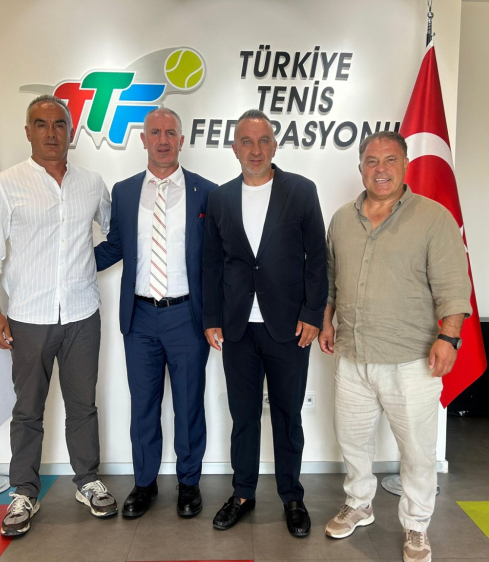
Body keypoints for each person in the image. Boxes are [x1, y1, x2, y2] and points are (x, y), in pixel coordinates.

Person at [320, 131, 471, 562]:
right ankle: (359, 504)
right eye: (371, 161)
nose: (380, 169)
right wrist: (327, 320)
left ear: (406, 165)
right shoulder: (341, 219)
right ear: (361, 168)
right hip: (353, 354)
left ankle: (417, 525)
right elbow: (330, 280)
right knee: (352, 442)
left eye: (390, 160)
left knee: (418, 452)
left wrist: (449, 337)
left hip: (412, 359)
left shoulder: (433, 218)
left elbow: (453, 286)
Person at [0, 95, 117, 537]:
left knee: (83, 406)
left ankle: (87, 481)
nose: (51, 133)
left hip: (81, 314)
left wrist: (86, 265)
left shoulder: (92, 183)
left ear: (71, 132)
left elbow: (114, 234)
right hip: (28, 317)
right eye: (41, 124)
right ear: (28, 132)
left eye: (59, 124)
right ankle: (24, 492)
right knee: (28, 410)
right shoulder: (5, 185)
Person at [202, 109, 328, 537]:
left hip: (289, 327)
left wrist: (313, 314)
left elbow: (317, 258)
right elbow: (211, 263)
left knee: (288, 415)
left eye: (263, 141)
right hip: (237, 328)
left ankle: (292, 497)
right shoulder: (220, 198)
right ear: (234, 148)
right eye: (246, 142)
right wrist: (212, 317)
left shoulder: (301, 191)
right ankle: (243, 494)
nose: (255, 150)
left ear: (274, 145)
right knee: (243, 417)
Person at [95, 108, 216, 518]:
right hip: (140, 316)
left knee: (188, 405)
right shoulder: (125, 192)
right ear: (143, 140)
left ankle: (189, 483)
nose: (163, 140)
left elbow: (216, 258)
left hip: (187, 316)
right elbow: (115, 246)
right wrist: (67, 263)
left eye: (170, 132)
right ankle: (144, 484)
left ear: (181, 140)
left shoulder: (206, 192)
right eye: (155, 133)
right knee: (143, 405)